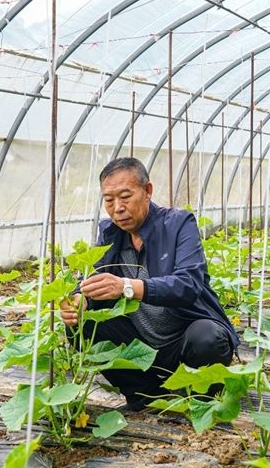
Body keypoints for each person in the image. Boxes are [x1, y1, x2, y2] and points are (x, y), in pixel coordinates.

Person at [59, 157, 238, 411]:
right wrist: (80, 298)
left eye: (125, 197)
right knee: (81, 325)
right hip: (141, 347)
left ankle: (201, 402)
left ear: (147, 191)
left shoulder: (178, 223)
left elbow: (188, 284)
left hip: (184, 341)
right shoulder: (110, 233)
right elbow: (93, 277)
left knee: (208, 338)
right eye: (109, 200)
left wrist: (127, 287)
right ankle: (145, 395)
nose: (118, 208)